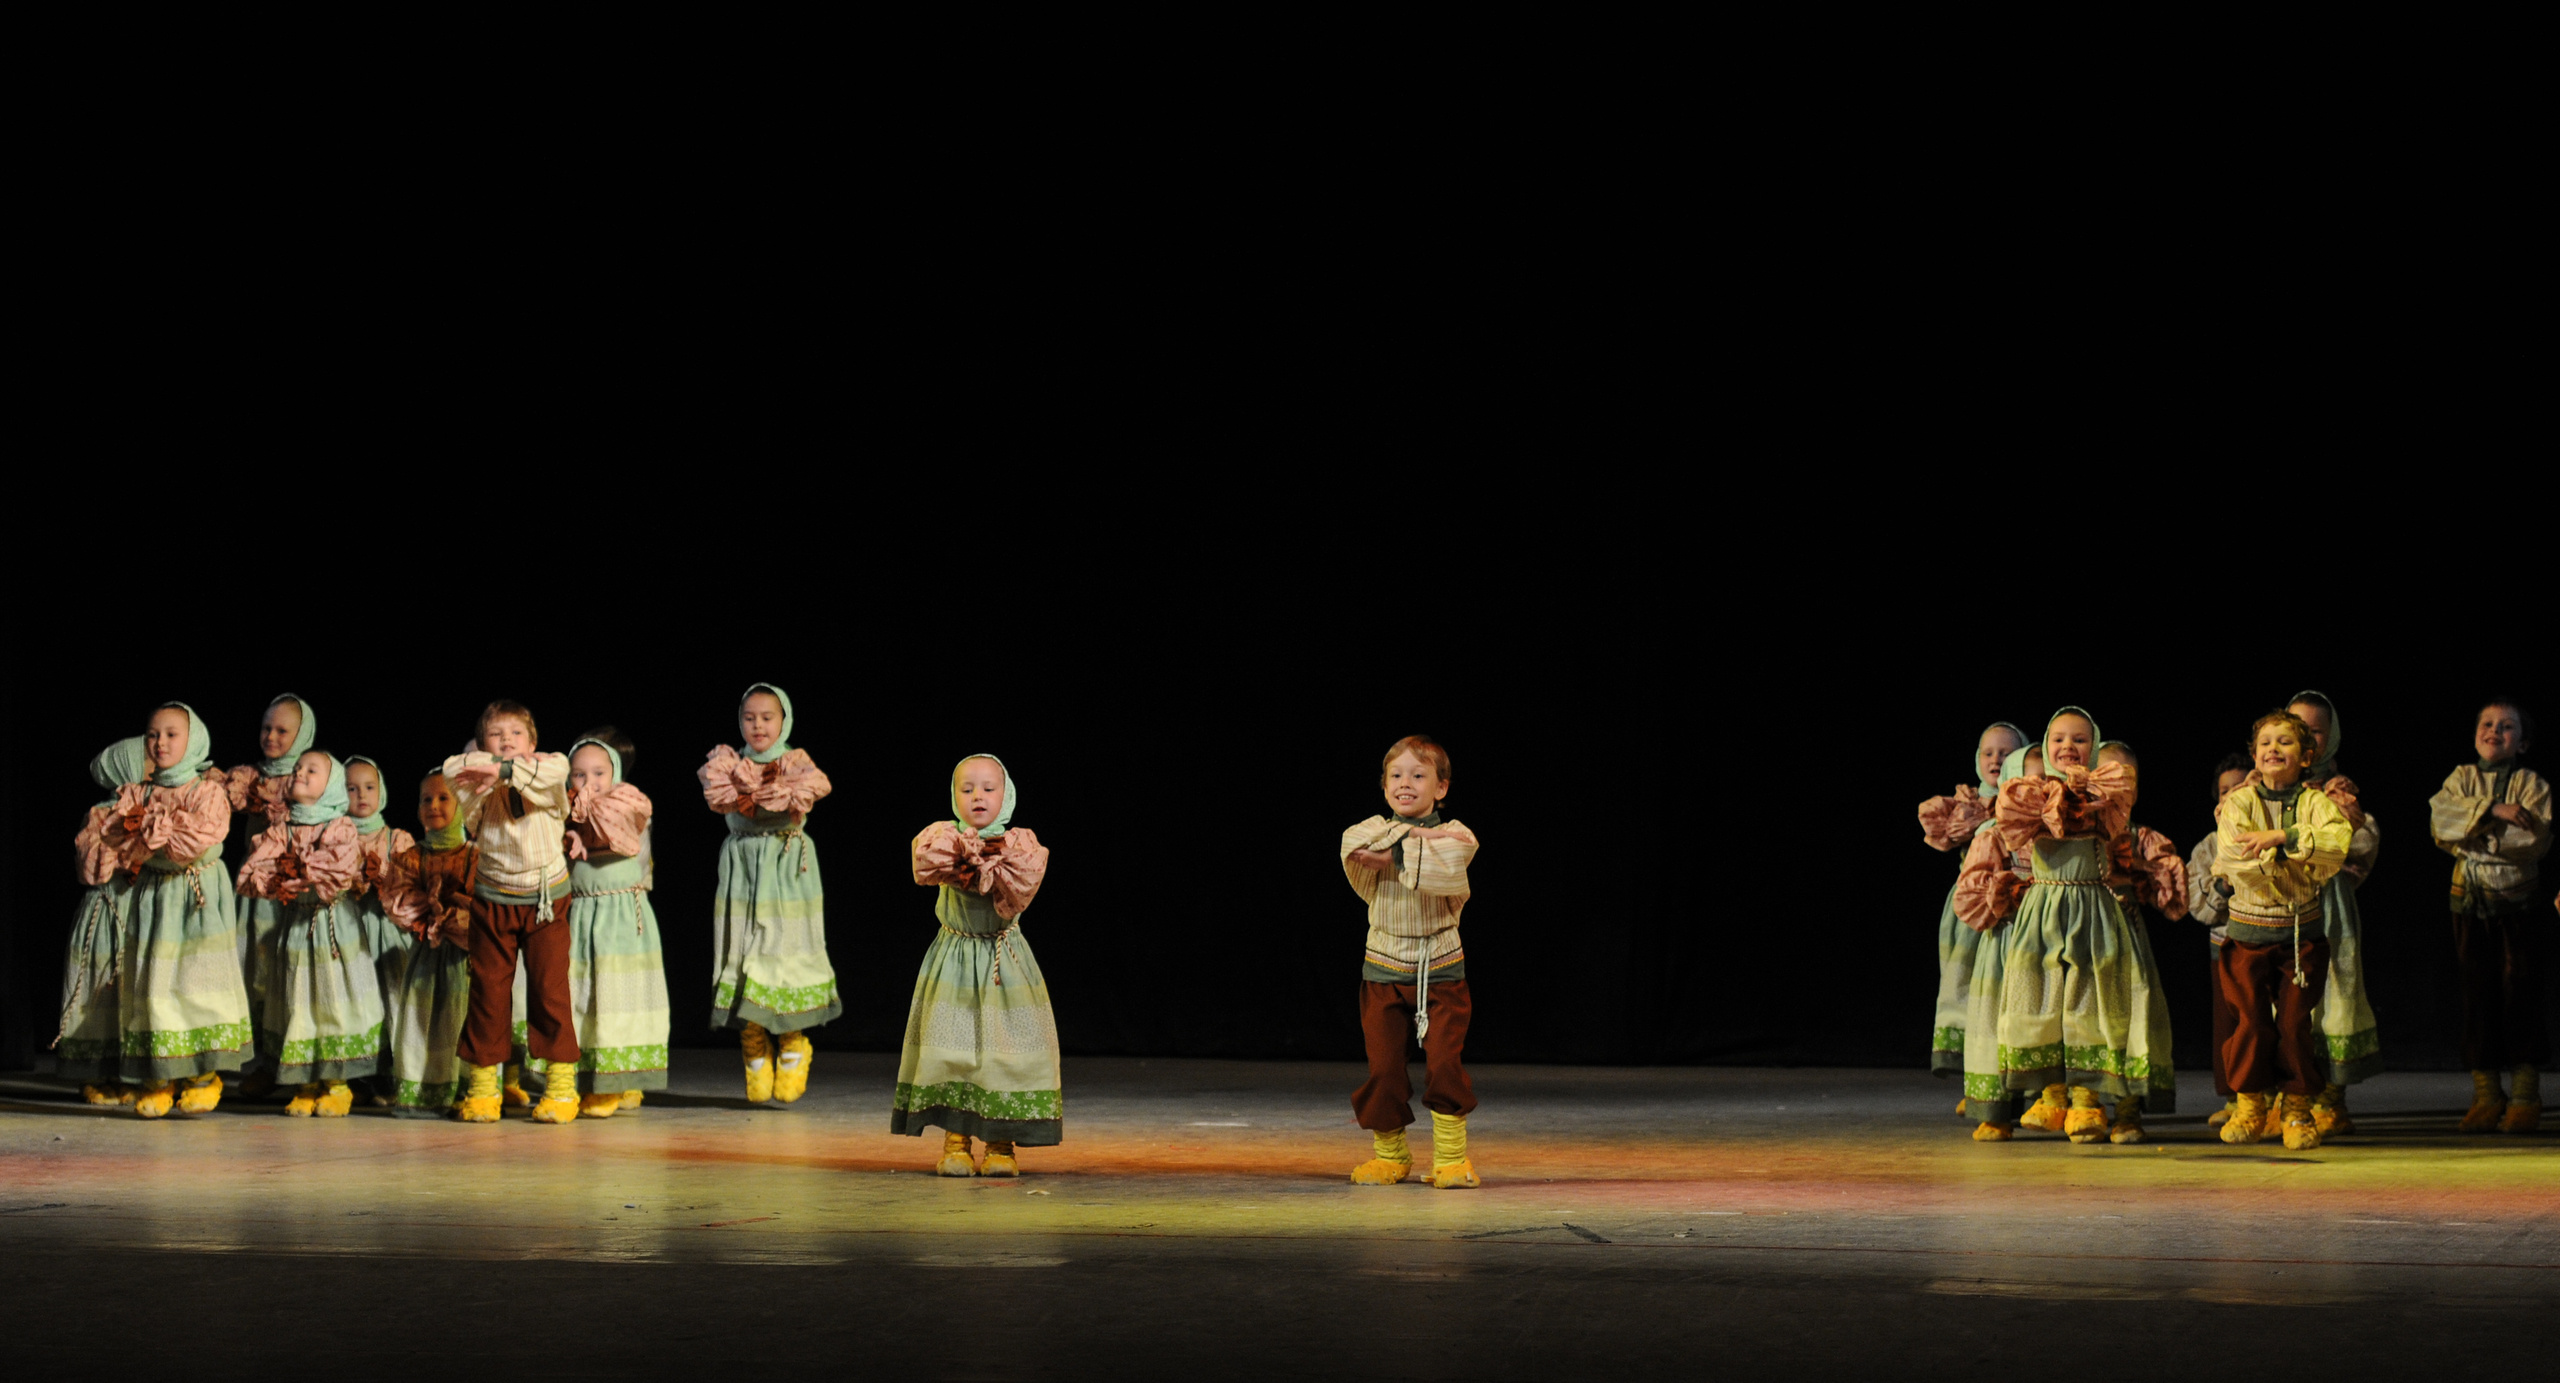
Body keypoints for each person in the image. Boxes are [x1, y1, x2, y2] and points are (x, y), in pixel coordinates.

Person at [900, 754, 1058, 1176]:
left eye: (989, 788)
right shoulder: (944, 839)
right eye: (967, 789)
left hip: (1003, 962)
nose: (978, 797)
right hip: (955, 959)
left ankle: (1001, 1146)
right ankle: (956, 1142)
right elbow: (925, 864)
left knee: (1003, 1055)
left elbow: (1023, 885)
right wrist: (966, 854)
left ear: (1006, 796)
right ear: (954, 797)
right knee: (953, 1050)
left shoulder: (1019, 845)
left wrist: (991, 861)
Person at [1340, 736, 1482, 1188]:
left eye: (1418, 776)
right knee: (1383, 1067)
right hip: (1383, 966)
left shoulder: (1457, 833)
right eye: (1396, 776)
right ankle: (1390, 1156)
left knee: (1443, 1064)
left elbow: (1453, 852)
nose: (1406, 783)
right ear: (1383, 787)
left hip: (1438, 968)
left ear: (1440, 788)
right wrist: (1413, 838)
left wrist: (1396, 853)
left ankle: (1451, 1159)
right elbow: (1353, 844)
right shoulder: (1373, 828)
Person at [2428, 700, 2551, 1134]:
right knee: (2476, 994)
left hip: (2518, 905)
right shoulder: (2460, 778)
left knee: (2520, 992)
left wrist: (2472, 837)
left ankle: (2524, 1094)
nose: (2494, 731)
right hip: (2468, 902)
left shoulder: (2532, 784)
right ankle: (2486, 1093)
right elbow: (2441, 821)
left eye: (2507, 726)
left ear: (2524, 741)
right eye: (2487, 723)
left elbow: (2532, 839)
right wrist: (2494, 812)